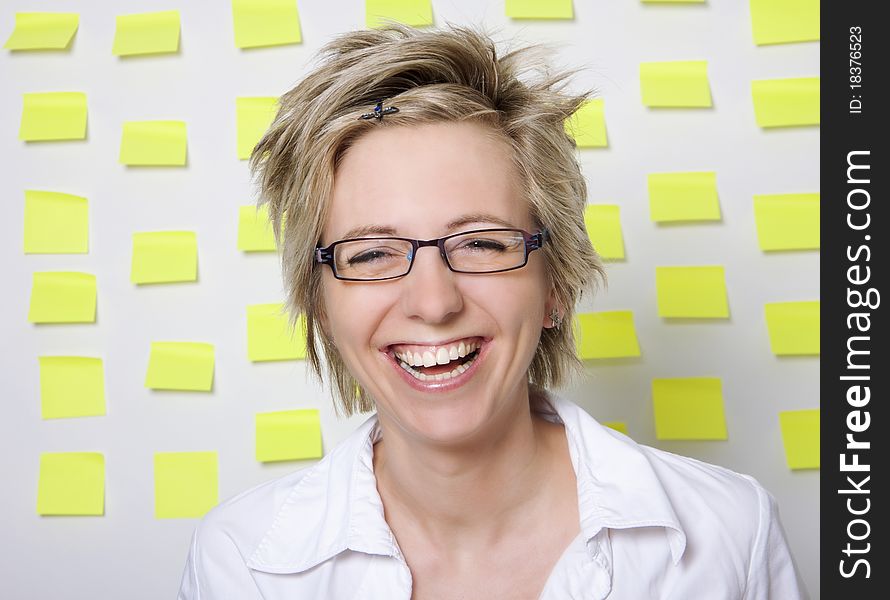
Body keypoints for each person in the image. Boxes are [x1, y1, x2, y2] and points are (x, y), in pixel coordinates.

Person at [178, 23, 807, 599]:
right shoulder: (240, 563)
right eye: (371, 253)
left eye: (481, 243)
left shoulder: (729, 535)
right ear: (319, 302)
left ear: (555, 283)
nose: (433, 302)